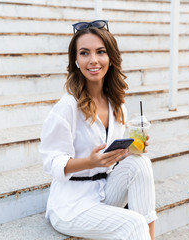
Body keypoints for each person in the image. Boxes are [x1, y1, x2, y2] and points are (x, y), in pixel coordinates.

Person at [39, 20, 157, 240]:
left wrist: (125, 152)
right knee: (133, 223)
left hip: (103, 191)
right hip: (72, 204)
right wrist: (90, 162)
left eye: (100, 52)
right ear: (76, 60)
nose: (93, 60)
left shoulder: (117, 104)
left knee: (140, 162)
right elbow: (51, 162)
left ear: (110, 57)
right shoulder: (67, 107)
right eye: (84, 53)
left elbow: (110, 155)